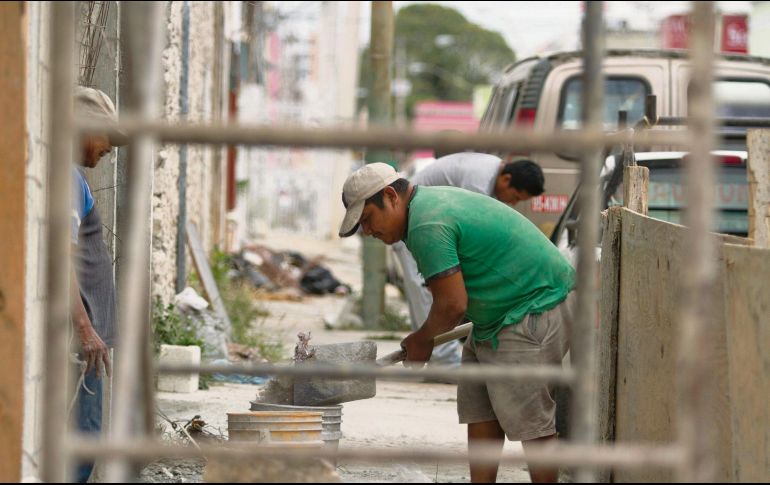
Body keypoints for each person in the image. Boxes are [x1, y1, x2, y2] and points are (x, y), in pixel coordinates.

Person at [338, 163, 574, 483]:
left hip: (531, 310)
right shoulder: (425, 209)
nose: (368, 231)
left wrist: (423, 340)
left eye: (367, 219)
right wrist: (426, 335)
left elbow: (452, 304)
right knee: (481, 414)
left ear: (391, 196)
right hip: (494, 319)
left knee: (533, 427)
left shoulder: (426, 222)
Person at [392, 153, 545, 365]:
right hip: (412, 223)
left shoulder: (492, 173)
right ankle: (443, 361)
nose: (514, 203)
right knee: (430, 292)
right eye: (516, 197)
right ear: (506, 179)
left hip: (429, 222)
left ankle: (441, 357)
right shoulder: (478, 185)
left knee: (439, 293)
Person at [71, 86, 127, 483]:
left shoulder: (72, 177)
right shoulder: (67, 179)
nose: (109, 146)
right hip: (81, 345)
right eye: (104, 134)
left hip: (86, 344)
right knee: (82, 446)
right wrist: (85, 328)